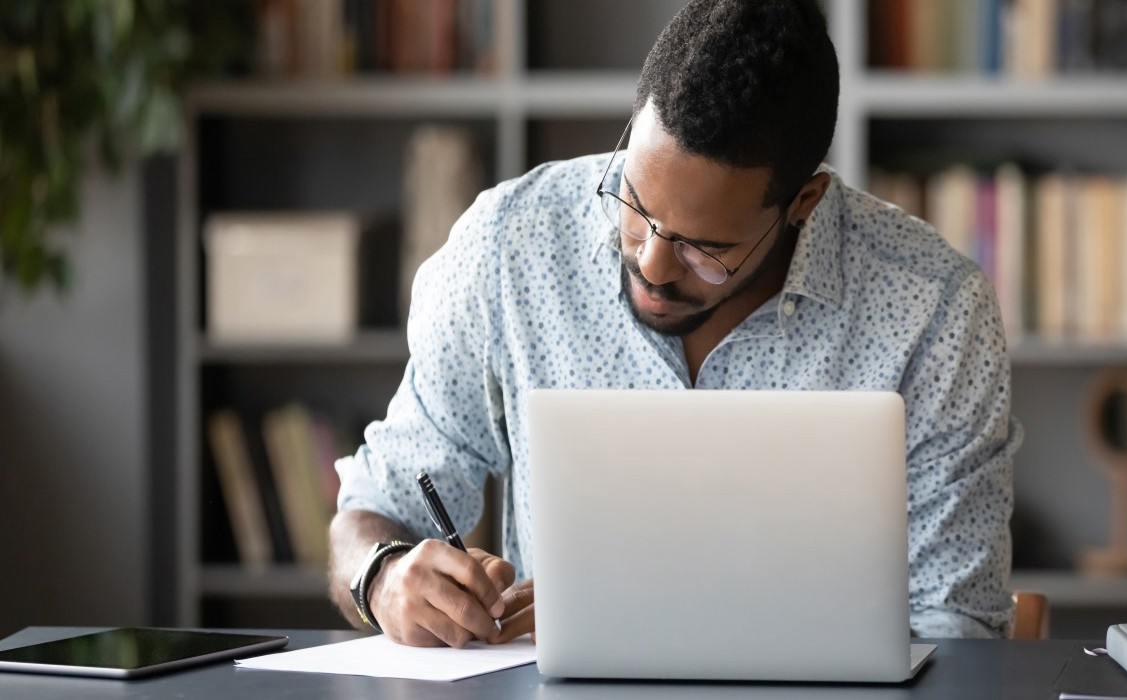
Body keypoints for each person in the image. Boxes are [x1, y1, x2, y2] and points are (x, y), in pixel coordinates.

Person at [329, 0, 1022, 647]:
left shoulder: (934, 311)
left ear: (803, 201)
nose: (652, 264)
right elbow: (370, 510)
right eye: (634, 205)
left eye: (705, 247)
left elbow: (953, 630)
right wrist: (384, 576)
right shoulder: (512, 244)